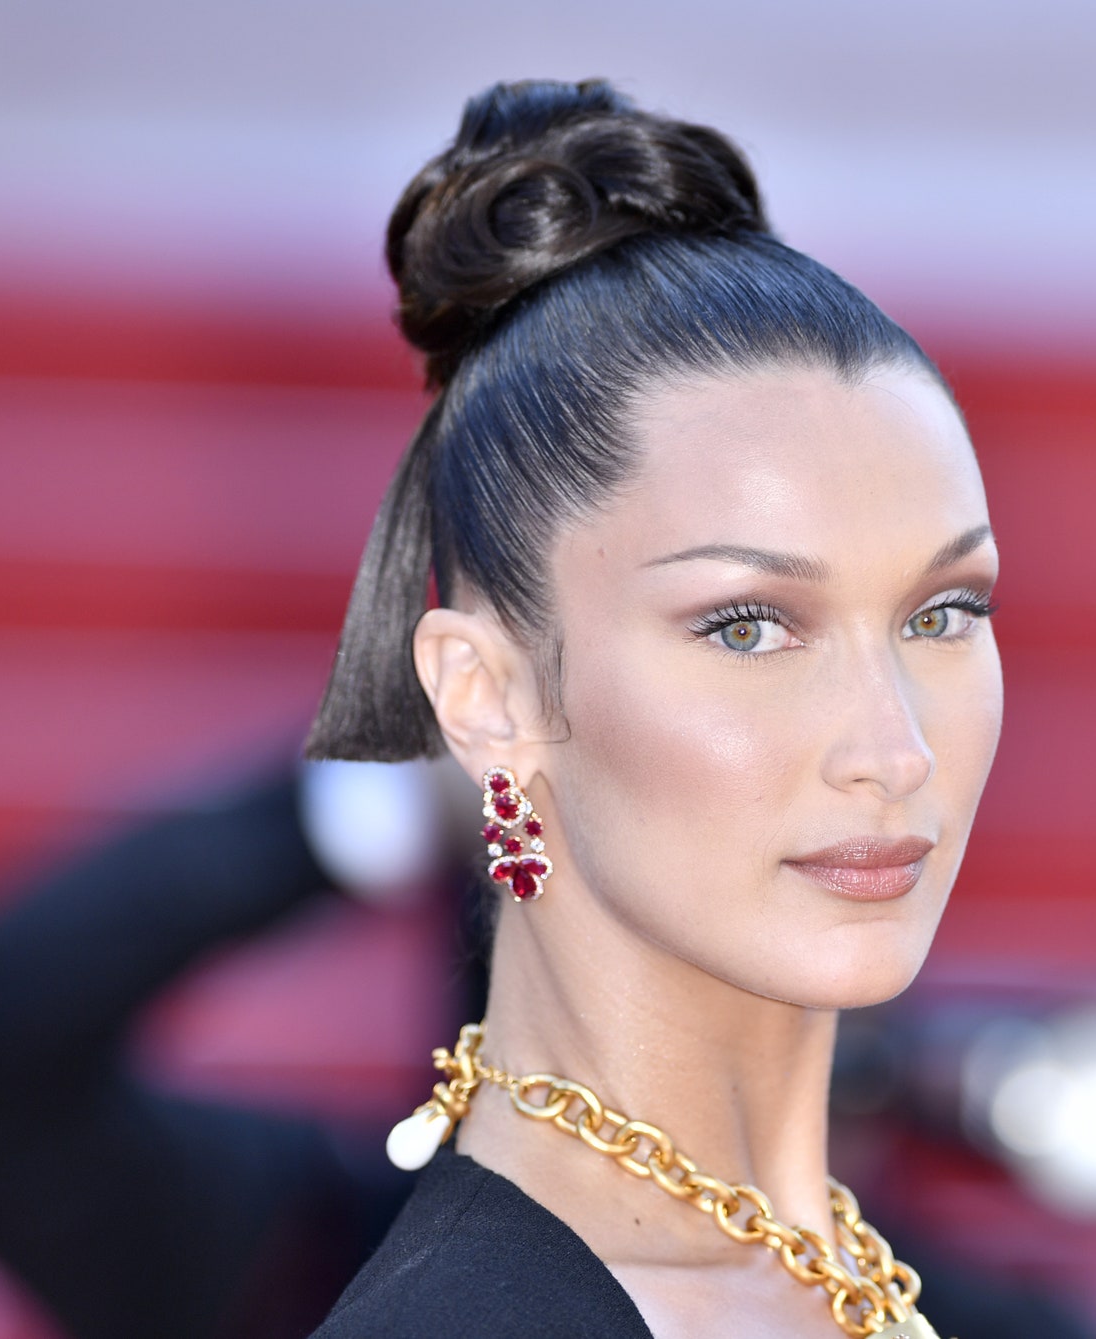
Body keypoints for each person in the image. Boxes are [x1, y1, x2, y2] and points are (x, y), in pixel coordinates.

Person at [305, 78, 1004, 1339]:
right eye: (748, 626)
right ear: (487, 697)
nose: (894, 749)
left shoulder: (851, 1287)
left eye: (942, 613)